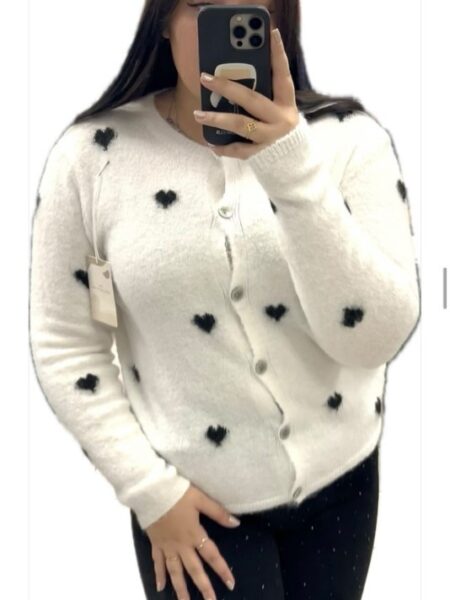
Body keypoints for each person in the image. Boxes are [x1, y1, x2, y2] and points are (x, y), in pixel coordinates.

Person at [29, 1, 421, 599]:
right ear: (163, 19)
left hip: (342, 483)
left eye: (247, 6)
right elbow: (64, 344)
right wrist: (150, 493)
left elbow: (375, 338)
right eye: (202, 5)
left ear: (276, 19)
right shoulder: (91, 158)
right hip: (194, 507)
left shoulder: (348, 141)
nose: (226, 22)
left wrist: (291, 166)